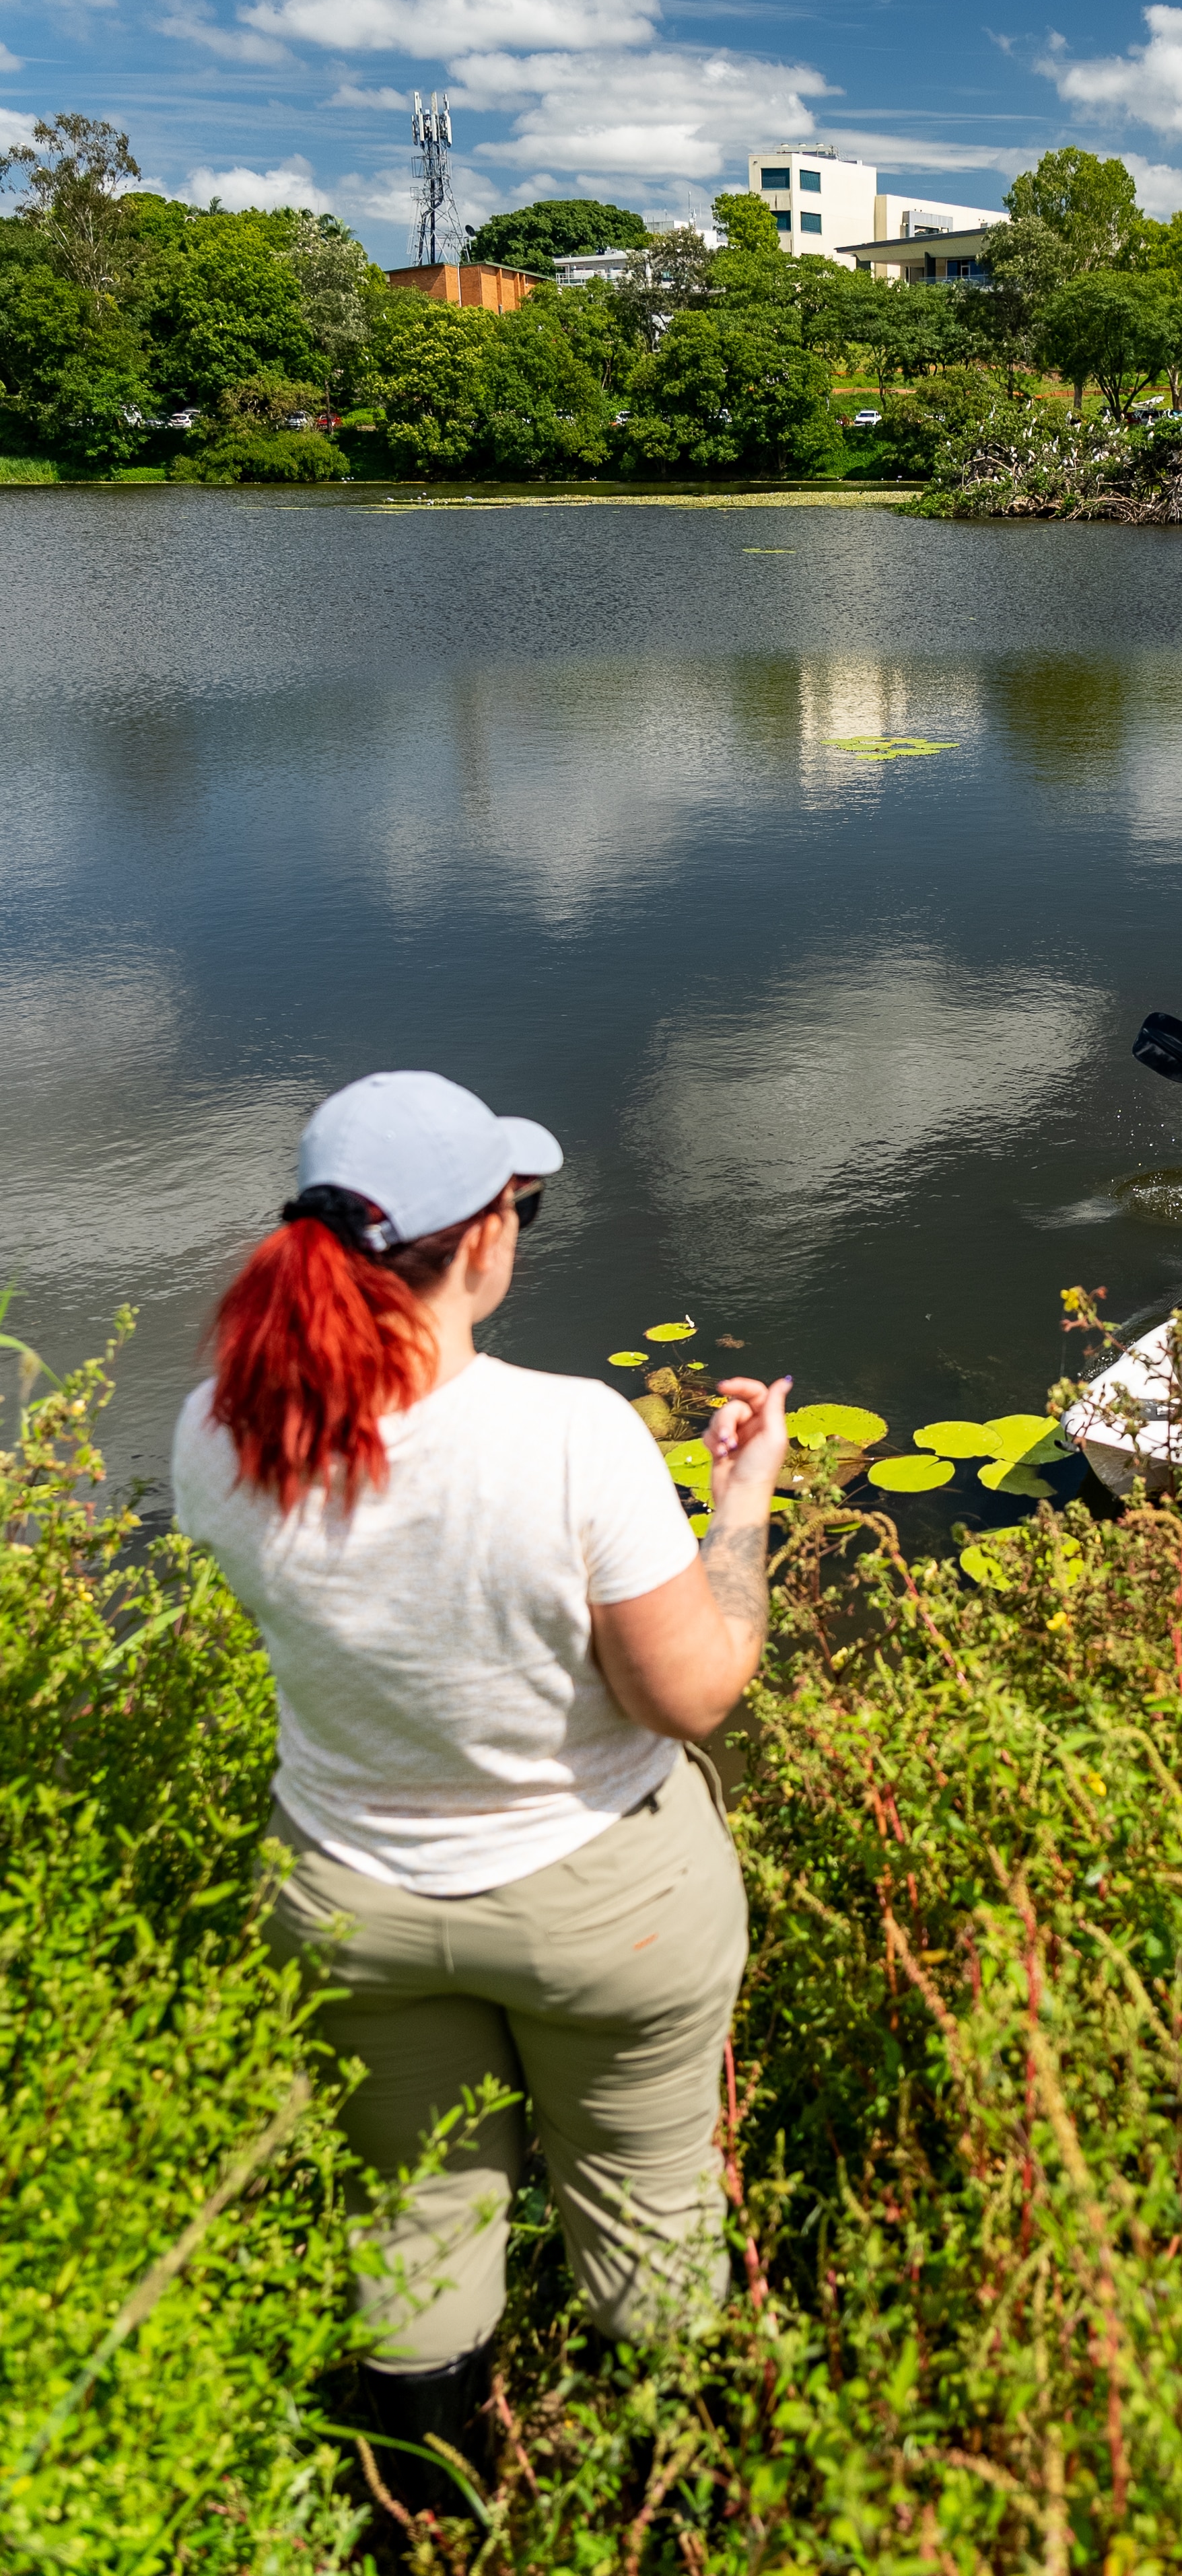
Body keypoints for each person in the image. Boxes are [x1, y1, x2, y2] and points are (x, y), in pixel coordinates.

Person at [171, 1070, 787, 2509]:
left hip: (347, 1901)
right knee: (649, 2209)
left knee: (417, 2216)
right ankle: (670, 2516)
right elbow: (686, 1690)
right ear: (487, 1235)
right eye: (523, 1203)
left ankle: (420, 2521)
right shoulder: (569, 1433)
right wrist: (741, 1509)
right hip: (604, 1906)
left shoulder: (219, 1427)